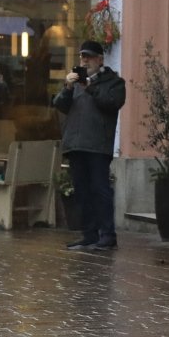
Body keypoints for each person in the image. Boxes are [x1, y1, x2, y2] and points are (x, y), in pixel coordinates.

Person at [53, 40, 127, 251]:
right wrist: (67, 87)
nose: (85, 61)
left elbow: (112, 103)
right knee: (82, 191)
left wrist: (90, 87)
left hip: (97, 145)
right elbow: (59, 104)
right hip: (76, 144)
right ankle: (89, 234)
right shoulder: (75, 82)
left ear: (100, 59)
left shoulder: (114, 82)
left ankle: (108, 235)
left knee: (100, 189)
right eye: (82, 57)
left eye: (89, 57)